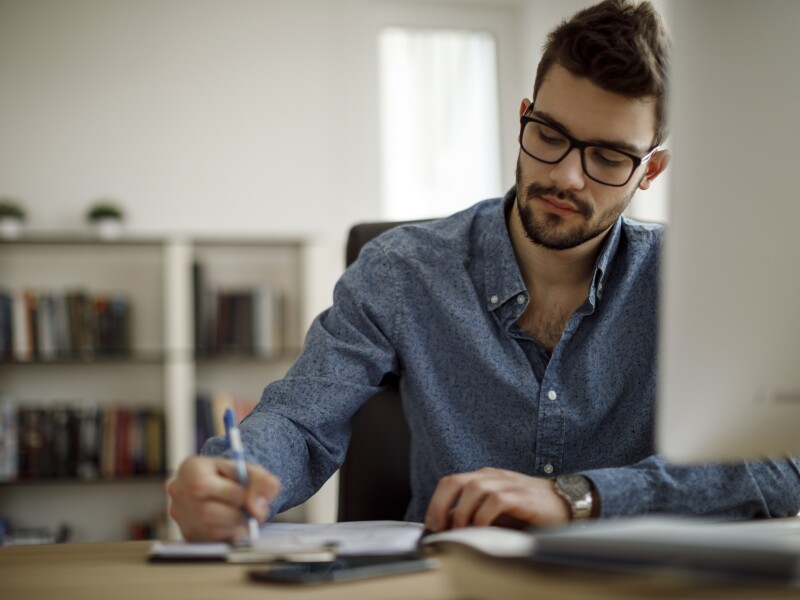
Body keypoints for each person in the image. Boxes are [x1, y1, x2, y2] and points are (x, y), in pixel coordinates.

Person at [167, 0, 800, 541]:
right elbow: (301, 421)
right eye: (549, 134)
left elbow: (783, 465)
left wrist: (579, 498)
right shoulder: (400, 271)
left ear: (651, 171)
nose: (565, 176)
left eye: (607, 156)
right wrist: (230, 474)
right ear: (525, 114)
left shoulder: (701, 282)